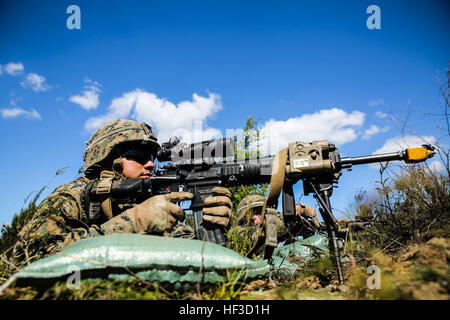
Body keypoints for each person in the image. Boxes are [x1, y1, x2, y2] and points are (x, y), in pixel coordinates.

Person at [12, 119, 232, 264]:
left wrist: (209, 226)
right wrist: (131, 224)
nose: (151, 165)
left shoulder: (148, 200)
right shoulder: (74, 198)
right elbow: (25, 259)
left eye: (152, 158)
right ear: (109, 160)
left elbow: (191, 257)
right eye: (138, 156)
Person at [233, 195, 321, 257]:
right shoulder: (237, 232)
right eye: (256, 213)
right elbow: (269, 228)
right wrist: (294, 212)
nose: (261, 216)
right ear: (244, 216)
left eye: (263, 212)